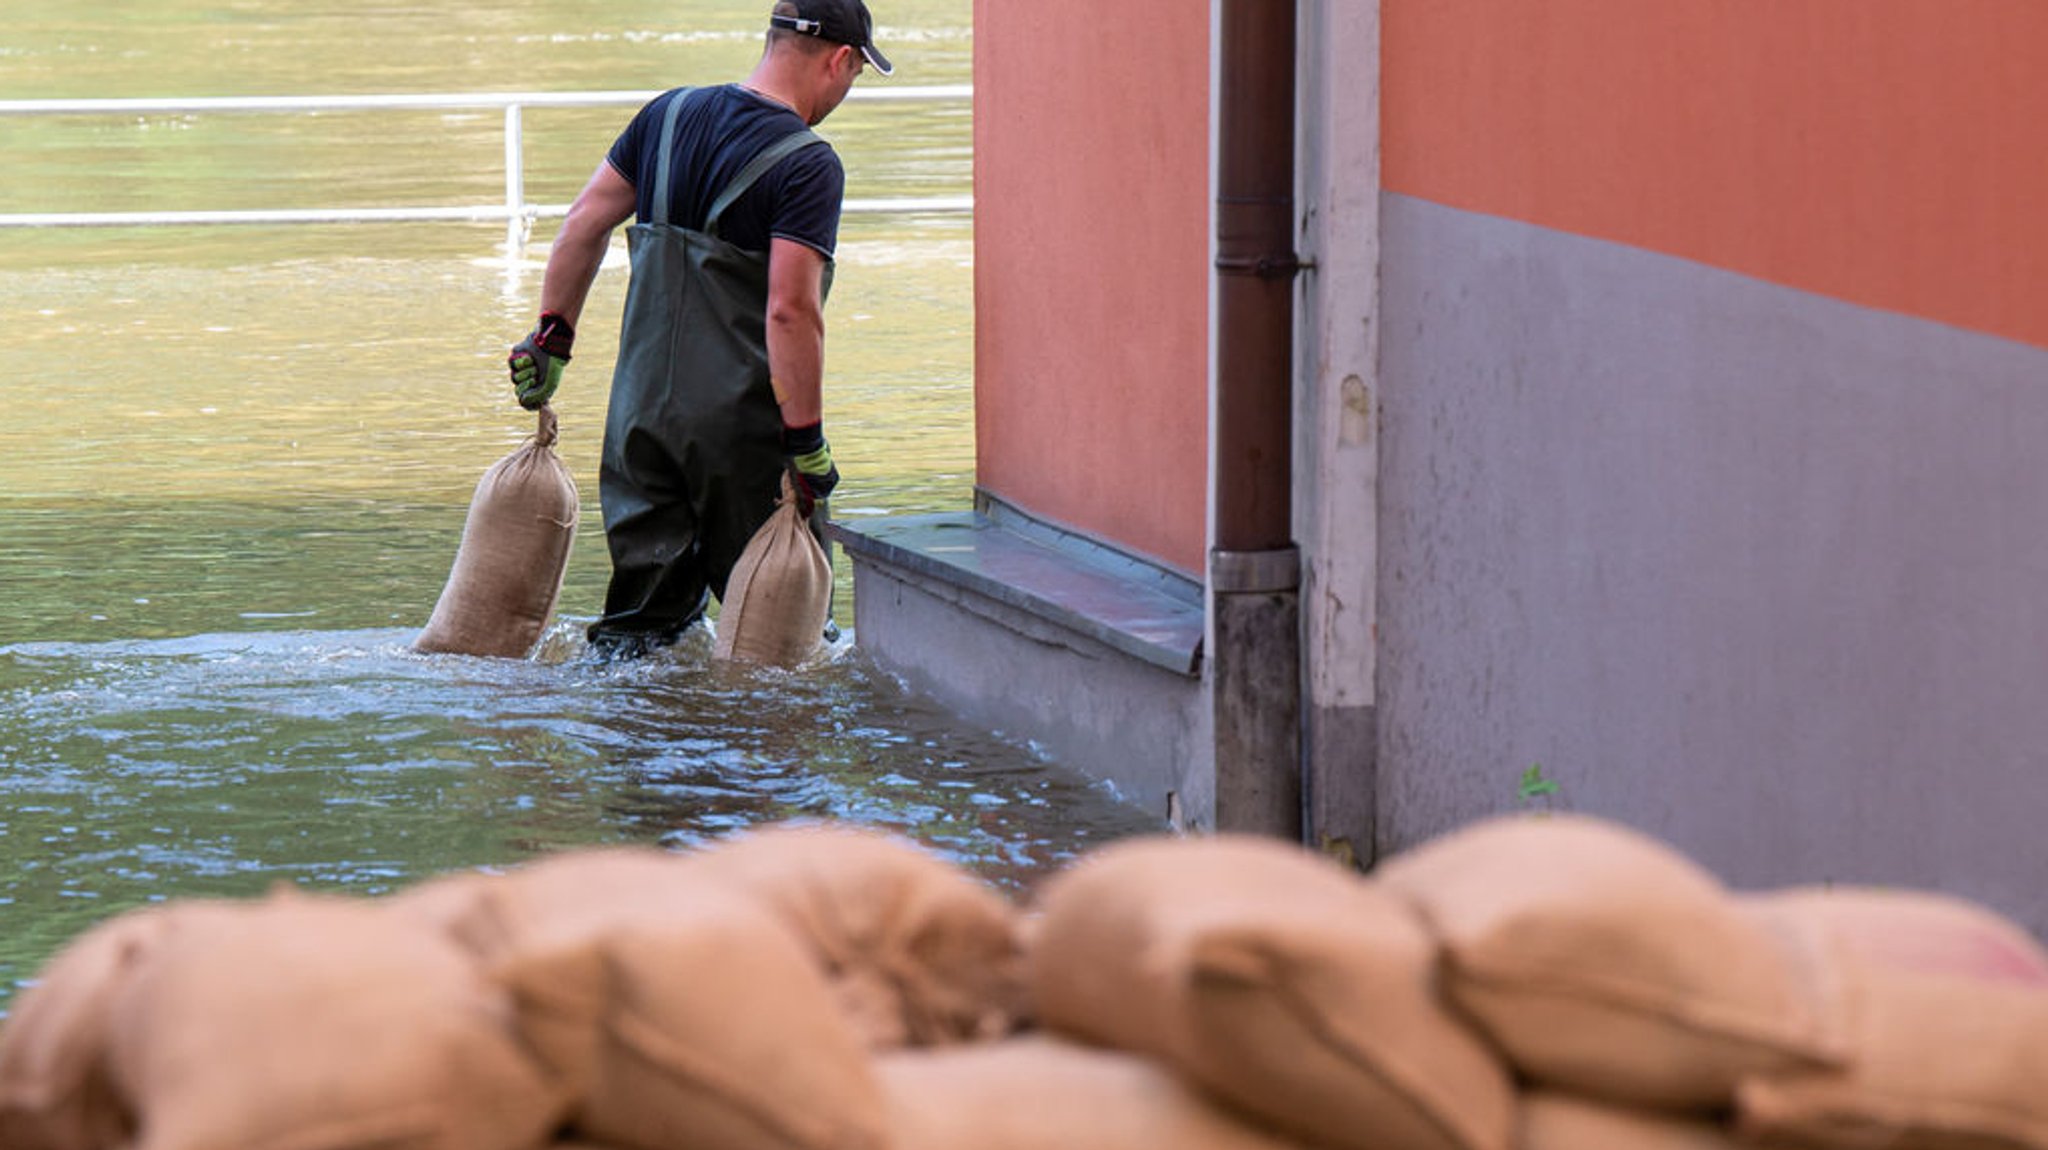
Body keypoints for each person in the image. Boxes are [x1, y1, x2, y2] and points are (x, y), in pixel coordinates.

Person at [507, 0, 890, 658]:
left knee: (642, 638)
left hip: (638, 425)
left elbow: (582, 223)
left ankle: (632, 753)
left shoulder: (667, 115)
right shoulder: (808, 164)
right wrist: (806, 444)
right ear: (841, 60)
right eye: (855, 76)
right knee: (787, 645)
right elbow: (790, 310)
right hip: (741, 439)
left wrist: (550, 338)